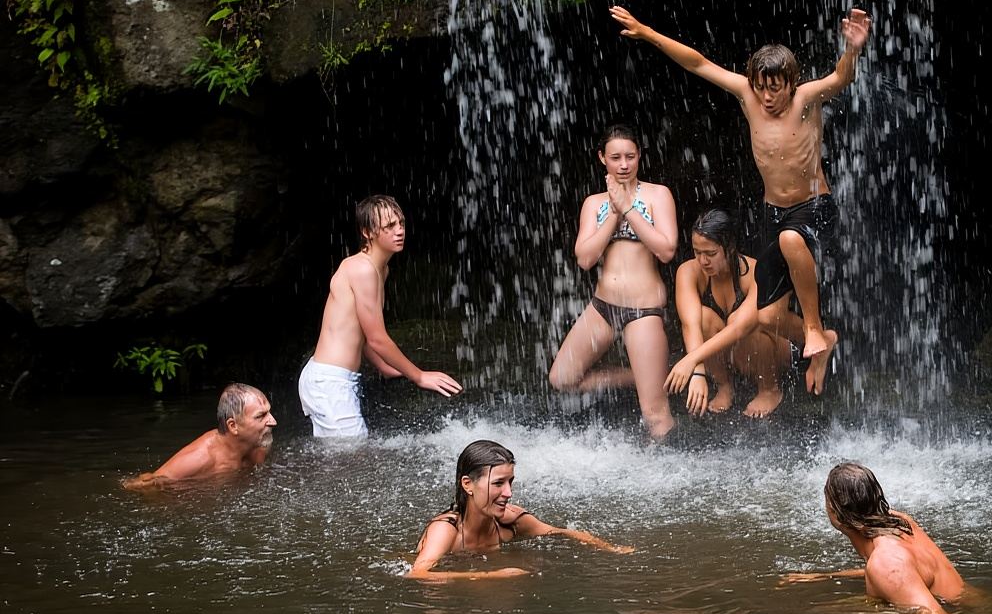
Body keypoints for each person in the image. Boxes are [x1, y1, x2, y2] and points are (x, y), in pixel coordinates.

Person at [609, 5, 871, 395]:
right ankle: (823, 342)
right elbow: (697, 63)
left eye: (775, 87)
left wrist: (851, 51)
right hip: (773, 212)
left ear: (791, 82)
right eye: (761, 87)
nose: (766, 97)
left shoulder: (806, 99)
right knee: (767, 316)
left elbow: (840, 76)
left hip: (814, 207)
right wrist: (647, 32)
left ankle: (814, 326)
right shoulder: (748, 97)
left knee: (790, 240)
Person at [547, 125, 678, 441]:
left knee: (654, 414)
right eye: (616, 157)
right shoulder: (594, 203)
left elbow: (666, 249)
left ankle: (668, 474)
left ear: (639, 157)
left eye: (630, 157)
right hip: (602, 307)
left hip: (643, 311)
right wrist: (613, 214)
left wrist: (629, 208)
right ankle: (638, 375)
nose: (623, 164)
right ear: (602, 159)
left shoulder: (657, 195)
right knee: (561, 378)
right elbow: (584, 258)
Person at [299, 195, 462, 438]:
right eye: (390, 226)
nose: (399, 231)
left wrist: (384, 367)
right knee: (354, 458)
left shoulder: (380, 269)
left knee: (344, 460)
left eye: (402, 223)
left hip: (333, 380)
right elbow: (377, 338)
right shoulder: (362, 269)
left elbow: (362, 333)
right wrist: (418, 376)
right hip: (329, 382)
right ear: (367, 232)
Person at [407, 440, 633, 580]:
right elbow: (418, 574)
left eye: (510, 482)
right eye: (498, 483)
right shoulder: (446, 530)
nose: (508, 492)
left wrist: (612, 549)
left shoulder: (510, 520)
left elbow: (561, 532)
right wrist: (493, 575)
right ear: (468, 485)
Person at [779, 463, 965, 614]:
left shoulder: (885, 562)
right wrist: (826, 576)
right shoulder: (899, 522)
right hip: (969, 602)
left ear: (835, 511)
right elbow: (901, 572)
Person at [664, 208, 790, 418]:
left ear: (729, 248)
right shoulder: (689, 271)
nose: (703, 261)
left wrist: (690, 361)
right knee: (702, 317)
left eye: (711, 253)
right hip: (731, 354)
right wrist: (698, 371)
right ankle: (724, 386)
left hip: (772, 351)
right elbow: (690, 324)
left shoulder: (756, 272)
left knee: (752, 321)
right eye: (697, 252)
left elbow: (741, 327)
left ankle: (769, 389)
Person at [122, 383, 276, 490]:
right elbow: (143, 484)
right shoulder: (200, 458)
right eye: (260, 416)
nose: (273, 421)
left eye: (269, 412)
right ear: (233, 426)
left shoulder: (259, 446)